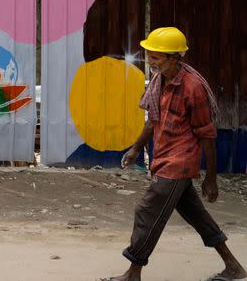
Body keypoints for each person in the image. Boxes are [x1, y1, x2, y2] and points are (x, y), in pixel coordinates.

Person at [103, 27, 246, 281]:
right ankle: (233, 266)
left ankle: (133, 273)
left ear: (175, 57)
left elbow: (207, 136)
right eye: (149, 55)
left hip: (178, 163)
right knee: (197, 216)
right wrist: (136, 148)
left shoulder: (193, 87)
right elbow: (153, 121)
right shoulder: (160, 80)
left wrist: (211, 178)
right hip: (163, 158)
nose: (150, 61)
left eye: (156, 57)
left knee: (147, 212)